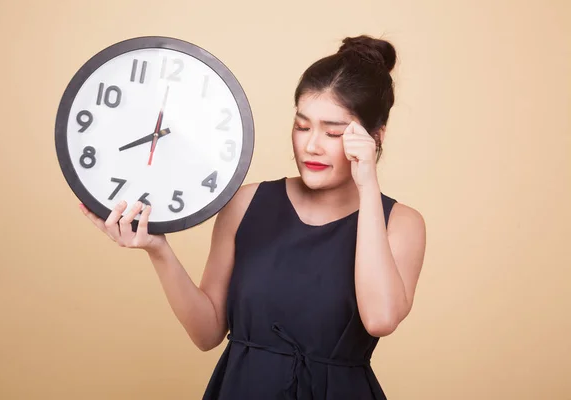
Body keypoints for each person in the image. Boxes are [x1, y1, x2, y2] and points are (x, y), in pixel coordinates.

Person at [79, 34, 426, 400]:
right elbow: (207, 333)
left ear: (375, 136)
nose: (311, 145)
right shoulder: (246, 203)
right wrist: (158, 249)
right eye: (302, 126)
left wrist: (368, 187)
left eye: (334, 132)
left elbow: (380, 319)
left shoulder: (401, 223)